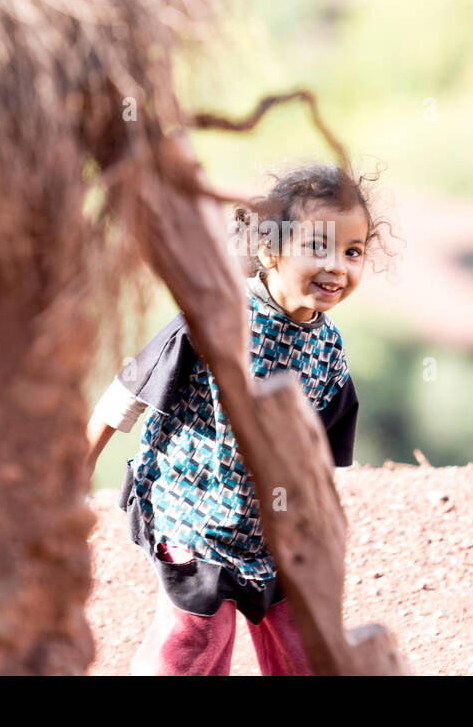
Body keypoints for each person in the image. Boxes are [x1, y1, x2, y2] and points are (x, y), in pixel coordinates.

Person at [86, 162, 386, 675]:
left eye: (352, 252)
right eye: (317, 246)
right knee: (196, 638)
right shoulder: (216, 324)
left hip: (273, 532)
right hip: (192, 519)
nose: (337, 266)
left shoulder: (328, 350)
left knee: (304, 644)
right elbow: (124, 397)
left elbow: (322, 455)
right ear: (270, 251)